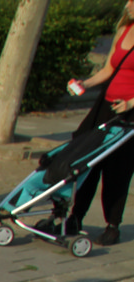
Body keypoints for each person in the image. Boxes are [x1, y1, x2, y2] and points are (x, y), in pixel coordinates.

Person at [66, 0, 134, 246]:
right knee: (88, 161)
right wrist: (85, 83)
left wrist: (130, 103)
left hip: (128, 113)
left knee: (117, 169)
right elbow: (108, 69)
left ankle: (112, 226)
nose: (127, 4)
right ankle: (76, 216)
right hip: (105, 107)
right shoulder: (124, 30)